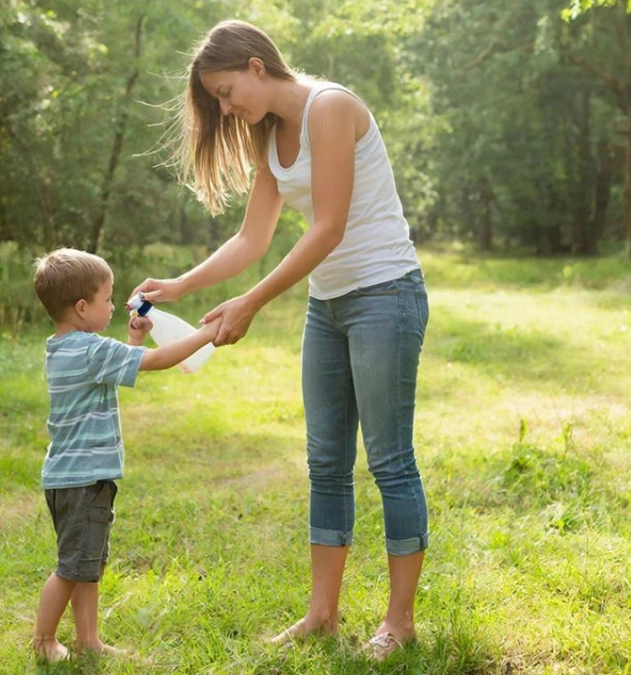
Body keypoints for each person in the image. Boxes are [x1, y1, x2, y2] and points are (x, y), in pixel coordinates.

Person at [133, 19, 429, 661]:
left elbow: (327, 228)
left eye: (225, 91)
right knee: (326, 461)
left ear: (256, 66)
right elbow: (252, 238)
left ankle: (400, 624)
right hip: (330, 305)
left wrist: (252, 302)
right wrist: (180, 286)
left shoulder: (331, 108)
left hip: (386, 294)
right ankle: (322, 616)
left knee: (388, 460)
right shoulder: (269, 135)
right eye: (216, 99)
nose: (224, 107)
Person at [31, 247, 220, 662]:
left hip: (70, 478)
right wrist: (208, 333)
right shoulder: (90, 350)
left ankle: (88, 640)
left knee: (86, 565)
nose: (114, 306)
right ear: (82, 308)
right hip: (83, 480)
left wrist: (133, 340)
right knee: (71, 567)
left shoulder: (64, 347)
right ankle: (44, 641)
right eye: (107, 298)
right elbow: (159, 359)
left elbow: (112, 365)